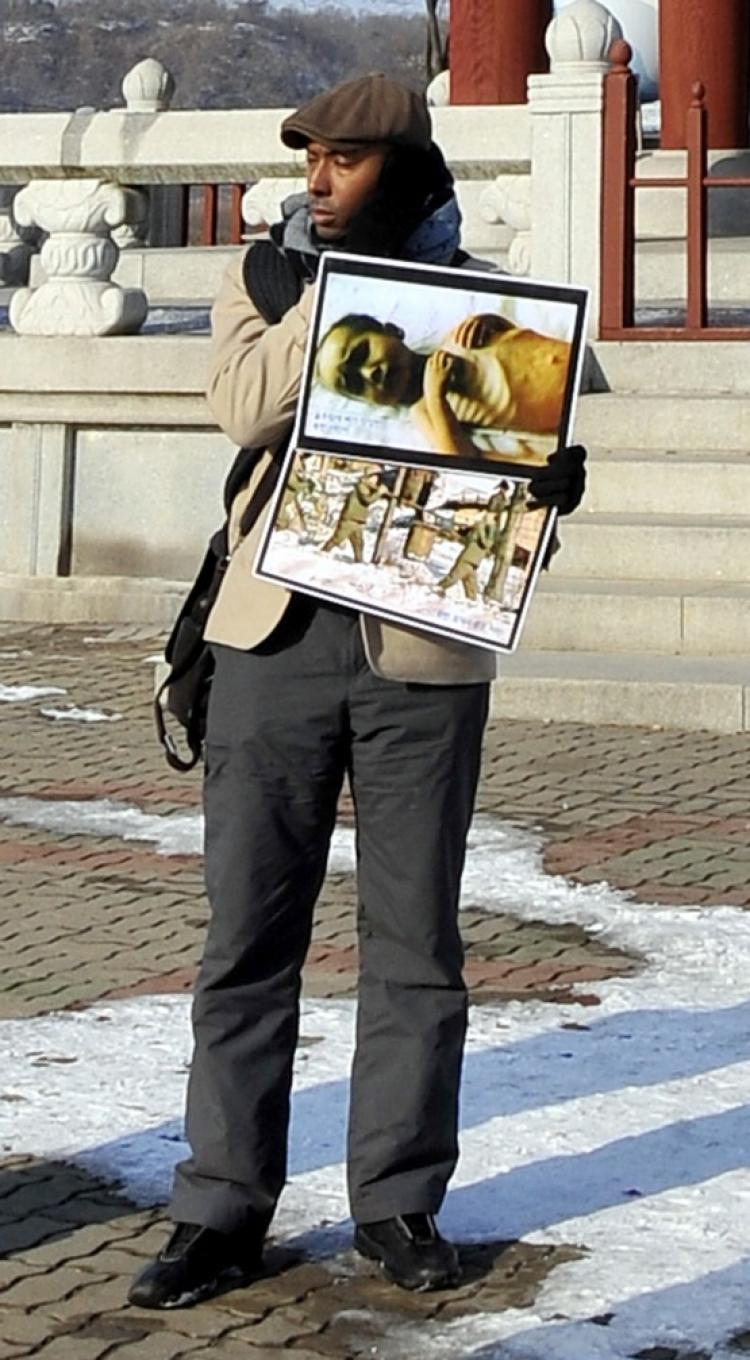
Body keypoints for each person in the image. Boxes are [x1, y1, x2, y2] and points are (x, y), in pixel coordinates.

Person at [128, 72, 587, 1312]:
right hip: (271, 645)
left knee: (418, 946)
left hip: (423, 651)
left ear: (404, 166)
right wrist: (342, 301)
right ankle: (220, 1207)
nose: (316, 181)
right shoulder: (269, 278)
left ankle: (396, 1203)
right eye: (310, 160)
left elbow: (511, 474)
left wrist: (545, 486)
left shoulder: (485, 302)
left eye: (343, 161)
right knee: (246, 940)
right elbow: (236, 405)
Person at [315, 309, 572, 461]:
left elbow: (516, 337)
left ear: (392, 330)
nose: (370, 373)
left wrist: (489, 322)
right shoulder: (425, 409)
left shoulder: (456, 337)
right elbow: (459, 459)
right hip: (561, 410)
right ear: (368, 403)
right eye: (354, 384)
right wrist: (436, 396)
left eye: (362, 353)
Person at [321, 469, 390, 561]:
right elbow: (367, 500)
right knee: (337, 539)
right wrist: (379, 492)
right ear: (367, 477)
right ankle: (322, 553)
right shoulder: (361, 487)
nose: (376, 480)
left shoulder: (367, 488)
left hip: (357, 521)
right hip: (350, 520)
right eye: (374, 477)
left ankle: (358, 563)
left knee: (359, 544)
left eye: (377, 478)